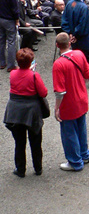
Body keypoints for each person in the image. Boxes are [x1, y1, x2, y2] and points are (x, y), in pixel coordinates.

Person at [3, 47, 47, 177]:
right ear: (31, 61)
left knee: (19, 142)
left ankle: (20, 169)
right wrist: (31, 72)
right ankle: (38, 168)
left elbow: (20, 75)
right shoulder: (34, 76)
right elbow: (43, 92)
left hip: (15, 111)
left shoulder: (13, 74)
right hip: (31, 112)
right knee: (35, 141)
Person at [52, 31, 89, 171]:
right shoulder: (80, 54)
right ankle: (84, 154)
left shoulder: (58, 64)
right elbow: (88, 73)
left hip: (68, 103)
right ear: (70, 43)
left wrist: (56, 108)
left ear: (57, 45)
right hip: (82, 98)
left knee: (69, 133)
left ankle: (75, 161)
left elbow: (60, 91)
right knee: (81, 128)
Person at [0, 0, 19, 71]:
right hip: (9, 19)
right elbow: (15, 9)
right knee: (11, 41)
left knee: (1, 40)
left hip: (0, 18)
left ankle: (2, 62)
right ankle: (11, 65)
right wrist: (17, 20)